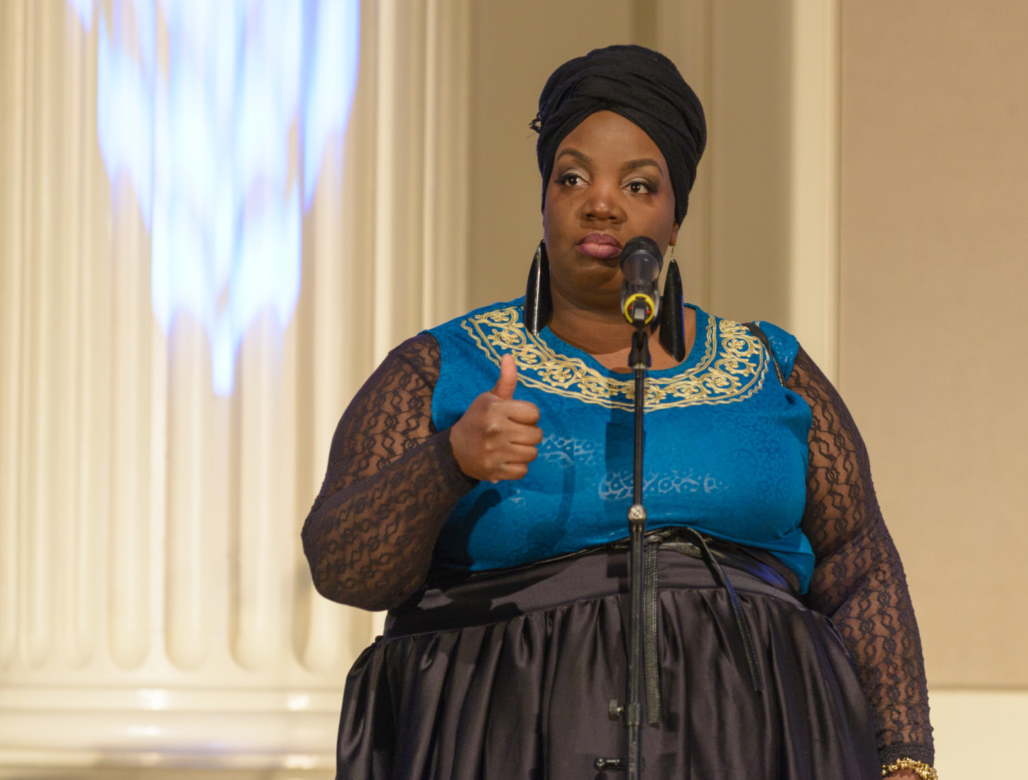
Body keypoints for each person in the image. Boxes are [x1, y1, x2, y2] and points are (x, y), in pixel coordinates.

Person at [302, 45, 935, 780]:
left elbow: (860, 568)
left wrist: (905, 761)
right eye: (572, 178)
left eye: (638, 185)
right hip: (507, 741)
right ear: (544, 201)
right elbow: (345, 569)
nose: (600, 203)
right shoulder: (444, 367)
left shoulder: (771, 365)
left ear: (673, 220)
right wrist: (449, 461)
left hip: (763, 746)